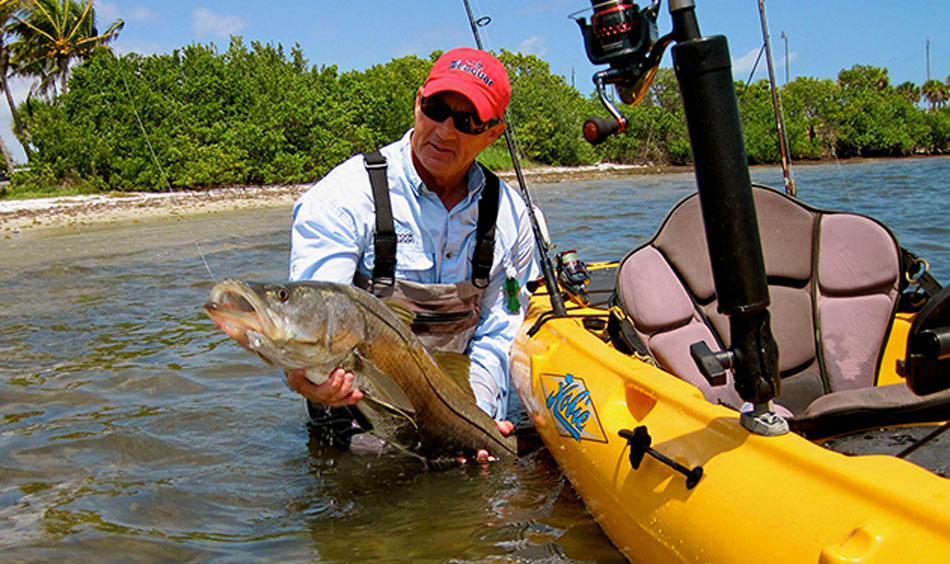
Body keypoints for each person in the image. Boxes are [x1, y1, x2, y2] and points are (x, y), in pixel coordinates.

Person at [285, 47, 540, 463]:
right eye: (437, 109)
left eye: (467, 120)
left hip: (457, 401)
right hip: (355, 410)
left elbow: (499, 331)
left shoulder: (512, 215)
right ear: (418, 101)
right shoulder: (343, 196)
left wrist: (478, 416)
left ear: (494, 133)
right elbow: (311, 315)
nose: (445, 131)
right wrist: (303, 376)